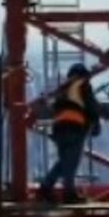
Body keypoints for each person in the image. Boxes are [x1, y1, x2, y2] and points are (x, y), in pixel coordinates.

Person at [39, 62, 101, 204]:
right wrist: (95, 124)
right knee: (71, 163)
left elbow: (54, 107)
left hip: (59, 129)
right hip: (75, 127)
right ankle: (68, 194)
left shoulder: (63, 89)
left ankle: (47, 188)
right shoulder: (83, 85)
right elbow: (91, 107)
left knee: (64, 162)